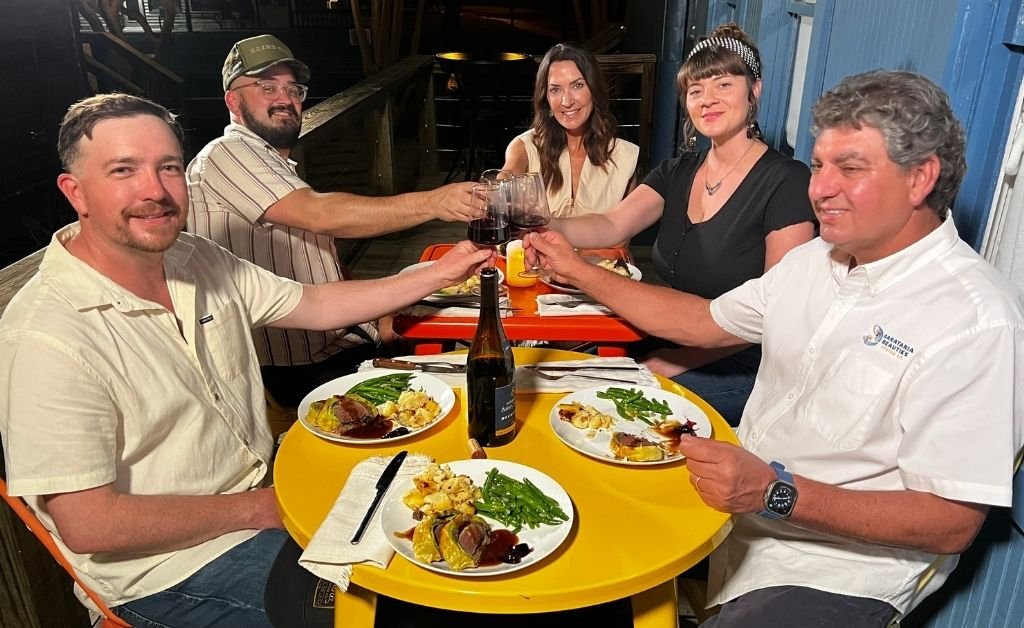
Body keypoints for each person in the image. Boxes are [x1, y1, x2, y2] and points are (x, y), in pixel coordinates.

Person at [525, 69, 1024, 625]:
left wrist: (776, 493)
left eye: (850, 168)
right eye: (817, 166)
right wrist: (576, 269)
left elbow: (950, 522)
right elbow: (702, 322)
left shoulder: (979, 320)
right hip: (730, 515)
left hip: (835, 572)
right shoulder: (816, 260)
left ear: (920, 179)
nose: (819, 188)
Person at [0, 93, 492, 627]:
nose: (154, 191)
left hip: (266, 499)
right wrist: (260, 508)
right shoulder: (45, 334)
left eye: (168, 167)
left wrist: (442, 273)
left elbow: (318, 303)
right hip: (170, 573)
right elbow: (88, 524)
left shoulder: (196, 257)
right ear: (77, 193)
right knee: (396, 609)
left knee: (448, 521)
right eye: (124, 170)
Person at [187, 34, 480, 406]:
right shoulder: (227, 153)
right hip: (296, 370)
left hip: (340, 342)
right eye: (267, 87)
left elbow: (319, 265)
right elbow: (322, 213)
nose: (285, 99)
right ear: (233, 99)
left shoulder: (271, 163)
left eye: (294, 89)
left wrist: (379, 319)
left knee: (462, 334)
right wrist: (436, 201)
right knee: (467, 386)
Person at [545, 24, 816, 425]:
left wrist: (671, 362)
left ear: (754, 90)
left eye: (723, 84)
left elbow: (772, 318)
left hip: (746, 362)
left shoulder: (787, 181)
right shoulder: (678, 171)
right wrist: (539, 222)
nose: (708, 99)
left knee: (605, 407)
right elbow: (610, 225)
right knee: (561, 375)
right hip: (675, 334)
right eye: (696, 90)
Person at [501, 42, 639, 218]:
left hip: (604, 247)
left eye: (577, 86)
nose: (566, 101)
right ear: (546, 99)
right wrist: (499, 185)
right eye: (555, 89)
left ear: (594, 90)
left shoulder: (625, 157)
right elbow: (508, 175)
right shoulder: (525, 147)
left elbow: (622, 237)